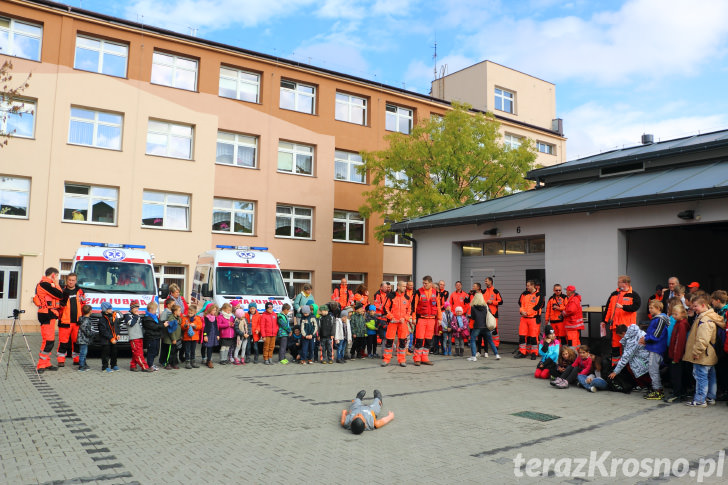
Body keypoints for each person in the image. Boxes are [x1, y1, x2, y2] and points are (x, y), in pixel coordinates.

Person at [683, 295, 723, 407]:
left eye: (695, 306)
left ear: (703, 305)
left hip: (703, 355)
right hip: (710, 354)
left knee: (701, 377)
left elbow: (702, 339)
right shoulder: (710, 316)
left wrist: (696, 352)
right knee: (710, 376)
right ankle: (710, 397)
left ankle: (700, 400)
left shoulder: (704, 320)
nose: (693, 308)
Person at [602, 275, 642, 366]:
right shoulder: (614, 294)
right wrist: (604, 321)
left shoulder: (634, 295)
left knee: (629, 349)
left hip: (627, 328)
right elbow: (608, 308)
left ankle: (630, 368)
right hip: (615, 327)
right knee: (615, 348)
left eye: (619, 282)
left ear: (626, 283)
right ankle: (615, 368)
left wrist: (623, 307)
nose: (617, 283)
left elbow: (635, 307)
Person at [34, 267, 65, 373]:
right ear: (52, 275)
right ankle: (41, 365)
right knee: (49, 341)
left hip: (50, 314)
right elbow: (60, 295)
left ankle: (46, 363)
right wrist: (55, 283)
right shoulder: (44, 284)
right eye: (56, 275)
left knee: (47, 340)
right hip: (46, 315)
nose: (57, 278)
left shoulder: (46, 284)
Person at [640, 300, 669, 400]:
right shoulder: (656, 319)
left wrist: (646, 339)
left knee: (653, 370)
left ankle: (658, 391)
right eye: (649, 307)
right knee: (653, 369)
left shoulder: (660, 319)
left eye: (651, 308)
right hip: (654, 347)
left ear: (658, 308)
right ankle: (656, 388)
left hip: (657, 348)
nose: (649, 309)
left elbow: (656, 335)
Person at [608, 324, 651, 390]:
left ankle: (645, 385)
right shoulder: (637, 332)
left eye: (620, 336)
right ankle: (645, 385)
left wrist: (615, 372)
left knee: (633, 368)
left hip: (643, 359)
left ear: (624, 333)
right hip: (647, 356)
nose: (621, 338)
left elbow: (626, 357)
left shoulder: (631, 341)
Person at [411, 275, 442, 366]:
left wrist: (440, 318)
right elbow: (414, 307)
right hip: (421, 319)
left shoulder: (435, 293)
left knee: (428, 340)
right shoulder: (418, 292)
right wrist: (413, 318)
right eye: (423, 283)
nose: (424, 285)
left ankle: (425, 358)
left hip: (432, 319)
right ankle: (417, 359)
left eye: (426, 283)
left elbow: (438, 306)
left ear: (431, 283)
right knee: (419, 339)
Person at [382, 281, 411, 367]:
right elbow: (385, 308)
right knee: (389, 341)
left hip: (402, 323)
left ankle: (402, 360)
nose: (405, 288)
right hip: (393, 322)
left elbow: (409, 310)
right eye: (403, 286)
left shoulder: (407, 298)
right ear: (398, 287)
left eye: (405, 286)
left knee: (402, 341)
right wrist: (391, 318)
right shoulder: (391, 296)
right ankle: (386, 359)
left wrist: (405, 318)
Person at [665, 304, 691, 403]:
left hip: (677, 356)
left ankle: (677, 394)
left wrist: (676, 357)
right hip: (676, 355)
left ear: (683, 314)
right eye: (673, 314)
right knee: (679, 375)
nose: (674, 316)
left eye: (676, 314)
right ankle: (681, 393)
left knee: (676, 376)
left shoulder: (682, 325)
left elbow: (680, 342)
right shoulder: (679, 323)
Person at [58, 272, 85, 366]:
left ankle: (76, 359)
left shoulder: (80, 291)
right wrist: (61, 306)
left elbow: (83, 304)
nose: (71, 282)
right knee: (63, 342)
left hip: (77, 321)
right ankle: (61, 360)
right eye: (69, 280)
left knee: (76, 342)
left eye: (73, 280)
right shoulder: (62, 291)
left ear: (76, 281)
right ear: (67, 280)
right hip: (65, 321)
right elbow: (58, 307)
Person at [468, 292, 499, 361]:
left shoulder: (473, 307)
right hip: (486, 327)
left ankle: (473, 356)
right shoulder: (486, 307)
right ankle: (497, 354)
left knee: (472, 340)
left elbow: (473, 317)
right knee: (490, 341)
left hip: (477, 326)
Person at [516, 280, 543, 359]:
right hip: (524, 318)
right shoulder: (524, 294)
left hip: (533, 319)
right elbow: (521, 304)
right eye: (527, 285)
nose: (527, 287)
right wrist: (521, 311)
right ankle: (522, 352)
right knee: (522, 336)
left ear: (533, 286)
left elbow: (538, 306)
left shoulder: (539, 295)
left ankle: (534, 353)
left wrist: (528, 313)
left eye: (528, 285)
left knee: (533, 337)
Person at [124, 302, 149, 372]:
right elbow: (131, 323)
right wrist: (135, 316)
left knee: (137, 352)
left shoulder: (137, 315)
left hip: (139, 336)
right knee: (138, 353)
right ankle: (144, 366)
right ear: (131, 308)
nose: (137, 309)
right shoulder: (127, 315)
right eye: (135, 308)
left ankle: (133, 365)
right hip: (134, 337)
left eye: (137, 308)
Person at [98, 301, 119, 373]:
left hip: (113, 338)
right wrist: (110, 337)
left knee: (114, 352)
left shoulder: (113, 316)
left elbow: (116, 326)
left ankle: (114, 365)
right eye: (109, 308)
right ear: (105, 310)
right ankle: (105, 367)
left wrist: (118, 334)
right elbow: (103, 331)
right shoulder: (102, 319)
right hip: (106, 340)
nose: (111, 310)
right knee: (105, 354)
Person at [482, 277, 503, 349]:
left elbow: (501, 302)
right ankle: (483, 344)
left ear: (490, 282)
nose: (485, 282)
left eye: (486, 281)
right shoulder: (483, 291)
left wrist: (492, 302)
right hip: (485, 313)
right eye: (485, 281)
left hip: (493, 314)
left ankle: (496, 344)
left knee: (494, 329)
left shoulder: (495, 291)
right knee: (484, 328)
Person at [142, 301, 162, 371]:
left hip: (156, 336)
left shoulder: (154, 317)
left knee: (155, 351)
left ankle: (152, 363)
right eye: (154, 310)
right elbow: (154, 327)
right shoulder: (147, 318)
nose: (155, 311)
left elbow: (158, 324)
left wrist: (162, 324)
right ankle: (150, 364)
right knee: (151, 351)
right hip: (151, 337)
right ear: (150, 310)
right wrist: (162, 325)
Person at [162, 303, 182, 370]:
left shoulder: (177, 318)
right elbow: (171, 330)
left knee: (174, 352)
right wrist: (173, 339)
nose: (180, 312)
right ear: (175, 312)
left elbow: (180, 322)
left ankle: (173, 363)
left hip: (177, 338)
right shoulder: (171, 318)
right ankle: (167, 363)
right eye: (179, 311)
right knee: (170, 352)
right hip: (171, 340)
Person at [182, 303, 202, 368]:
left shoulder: (198, 318)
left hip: (194, 337)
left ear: (195, 313)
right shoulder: (185, 318)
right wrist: (185, 326)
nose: (189, 314)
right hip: (187, 337)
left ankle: (193, 361)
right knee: (187, 350)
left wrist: (195, 326)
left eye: (191, 313)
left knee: (193, 350)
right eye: (189, 313)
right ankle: (187, 362)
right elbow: (182, 326)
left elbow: (200, 326)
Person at [76, 304, 94, 372]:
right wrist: (91, 334)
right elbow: (84, 328)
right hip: (83, 339)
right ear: (90, 311)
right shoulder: (86, 320)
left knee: (84, 352)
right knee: (83, 352)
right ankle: (81, 365)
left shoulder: (82, 318)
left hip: (82, 339)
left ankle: (84, 364)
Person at [202, 303, 219, 368]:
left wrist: (217, 334)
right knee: (206, 347)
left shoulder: (214, 318)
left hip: (213, 334)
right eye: (213, 310)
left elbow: (216, 326)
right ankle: (206, 359)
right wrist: (205, 335)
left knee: (210, 347)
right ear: (209, 310)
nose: (214, 312)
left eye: (215, 310)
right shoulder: (206, 317)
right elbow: (205, 327)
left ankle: (209, 360)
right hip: (208, 334)